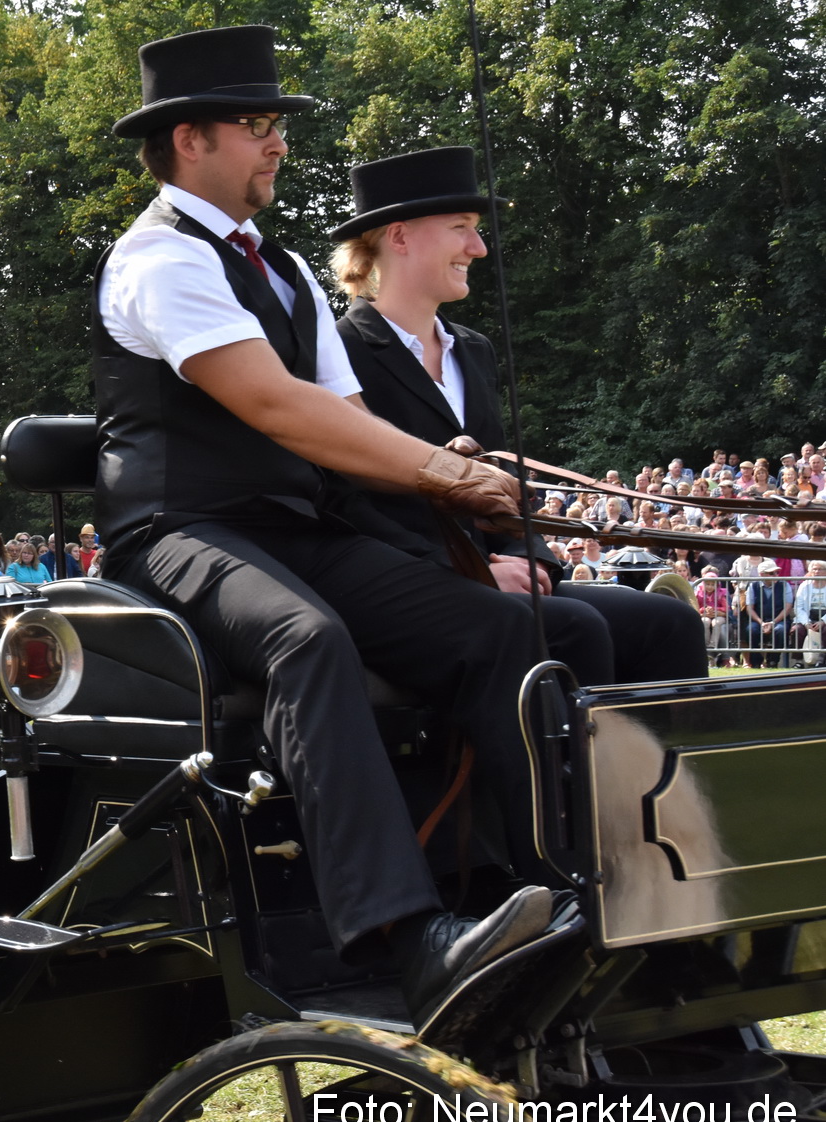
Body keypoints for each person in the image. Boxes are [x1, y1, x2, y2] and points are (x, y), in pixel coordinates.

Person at [94, 25, 551, 1020]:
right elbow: (272, 405)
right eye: (255, 125)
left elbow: (346, 422)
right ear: (188, 141)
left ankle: (541, 892)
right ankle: (402, 934)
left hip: (291, 525)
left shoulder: (289, 271)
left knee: (495, 628)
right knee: (306, 639)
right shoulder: (155, 260)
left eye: (275, 126)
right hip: (177, 531)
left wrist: (451, 473)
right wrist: (439, 471)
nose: (277, 144)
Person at [328, 146, 705, 686]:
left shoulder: (473, 350)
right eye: (461, 227)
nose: (478, 248)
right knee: (575, 626)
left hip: (495, 572)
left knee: (668, 621)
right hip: (412, 582)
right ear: (400, 236)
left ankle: (669, 771)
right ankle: (565, 773)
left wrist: (533, 561)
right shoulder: (339, 351)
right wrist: (470, 570)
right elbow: (347, 501)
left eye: (477, 229)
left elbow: (503, 484)